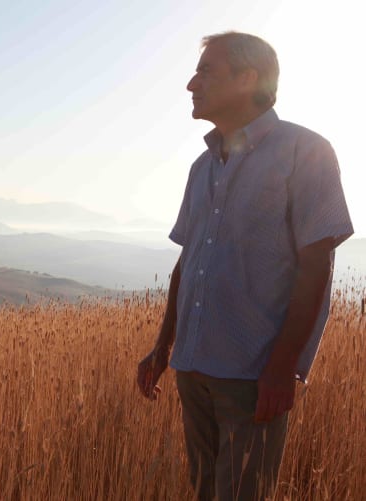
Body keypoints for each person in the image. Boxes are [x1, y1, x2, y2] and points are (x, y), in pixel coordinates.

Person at [137, 31, 353, 501]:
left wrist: (283, 367)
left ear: (247, 79)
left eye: (205, 71)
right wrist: (163, 348)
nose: (191, 84)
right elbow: (188, 261)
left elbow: (316, 264)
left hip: (252, 377)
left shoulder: (305, 152)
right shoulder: (201, 166)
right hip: (192, 369)